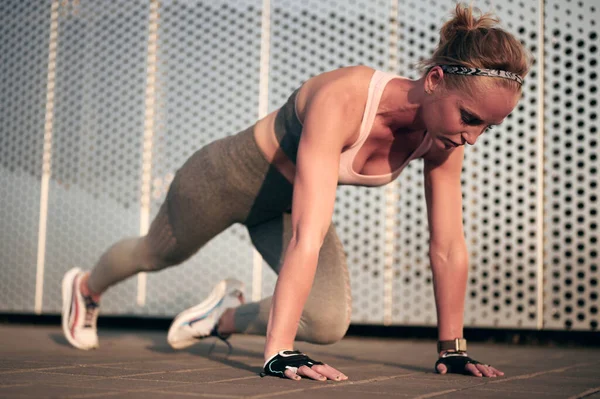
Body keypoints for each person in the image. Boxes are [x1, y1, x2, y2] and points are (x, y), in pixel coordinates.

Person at [61, 3, 531, 381]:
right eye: (470, 118)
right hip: (227, 179)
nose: (473, 137)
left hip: (281, 208)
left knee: (326, 321)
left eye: (488, 127)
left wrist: (452, 350)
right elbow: (309, 234)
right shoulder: (345, 96)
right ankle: (87, 289)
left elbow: (448, 247)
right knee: (155, 254)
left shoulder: (445, 139)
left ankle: (222, 319)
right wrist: (279, 352)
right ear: (434, 81)